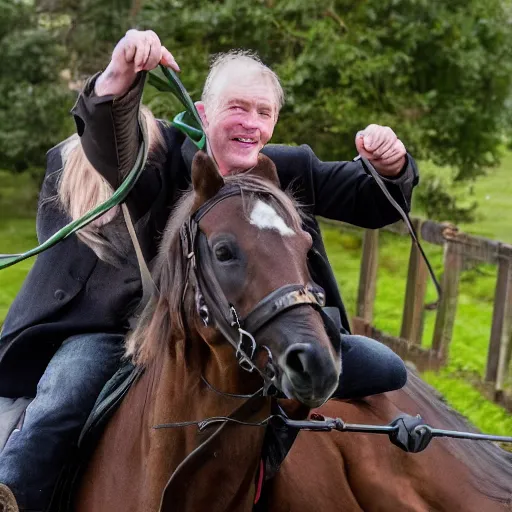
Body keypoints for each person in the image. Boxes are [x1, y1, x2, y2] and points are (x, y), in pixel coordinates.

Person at [0, 29, 418, 512]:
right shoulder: (161, 158)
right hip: (126, 331)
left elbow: (370, 198)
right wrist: (119, 78)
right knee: (66, 396)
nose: (252, 124)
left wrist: (391, 165)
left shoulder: (285, 168)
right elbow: (114, 145)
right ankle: (13, 494)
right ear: (204, 113)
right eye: (238, 108)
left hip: (255, 324)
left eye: (264, 113)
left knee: (383, 368)